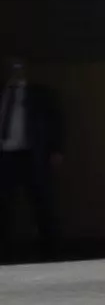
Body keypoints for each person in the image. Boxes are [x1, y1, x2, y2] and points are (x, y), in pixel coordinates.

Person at [0, 56, 60, 251]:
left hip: (30, 154)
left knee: (40, 199)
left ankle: (50, 246)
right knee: (4, 201)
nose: (16, 72)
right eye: (12, 68)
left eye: (20, 68)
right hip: (5, 155)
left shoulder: (39, 94)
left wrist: (56, 149)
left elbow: (56, 121)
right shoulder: (3, 93)